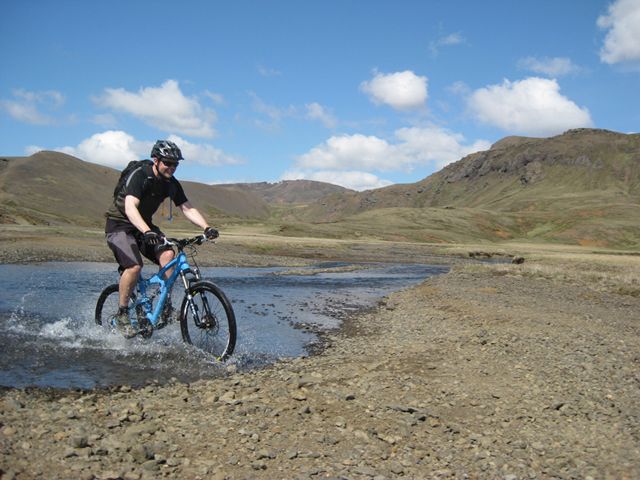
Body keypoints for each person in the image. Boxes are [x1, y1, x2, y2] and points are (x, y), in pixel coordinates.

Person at [104, 139, 219, 337]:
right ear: (156, 160)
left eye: (176, 164)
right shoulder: (140, 176)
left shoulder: (171, 184)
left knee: (168, 254)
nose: (172, 168)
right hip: (120, 225)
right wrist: (146, 231)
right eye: (168, 162)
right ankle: (123, 312)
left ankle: (165, 307)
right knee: (134, 266)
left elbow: (187, 207)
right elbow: (130, 207)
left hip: (144, 226)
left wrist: (206, 227)